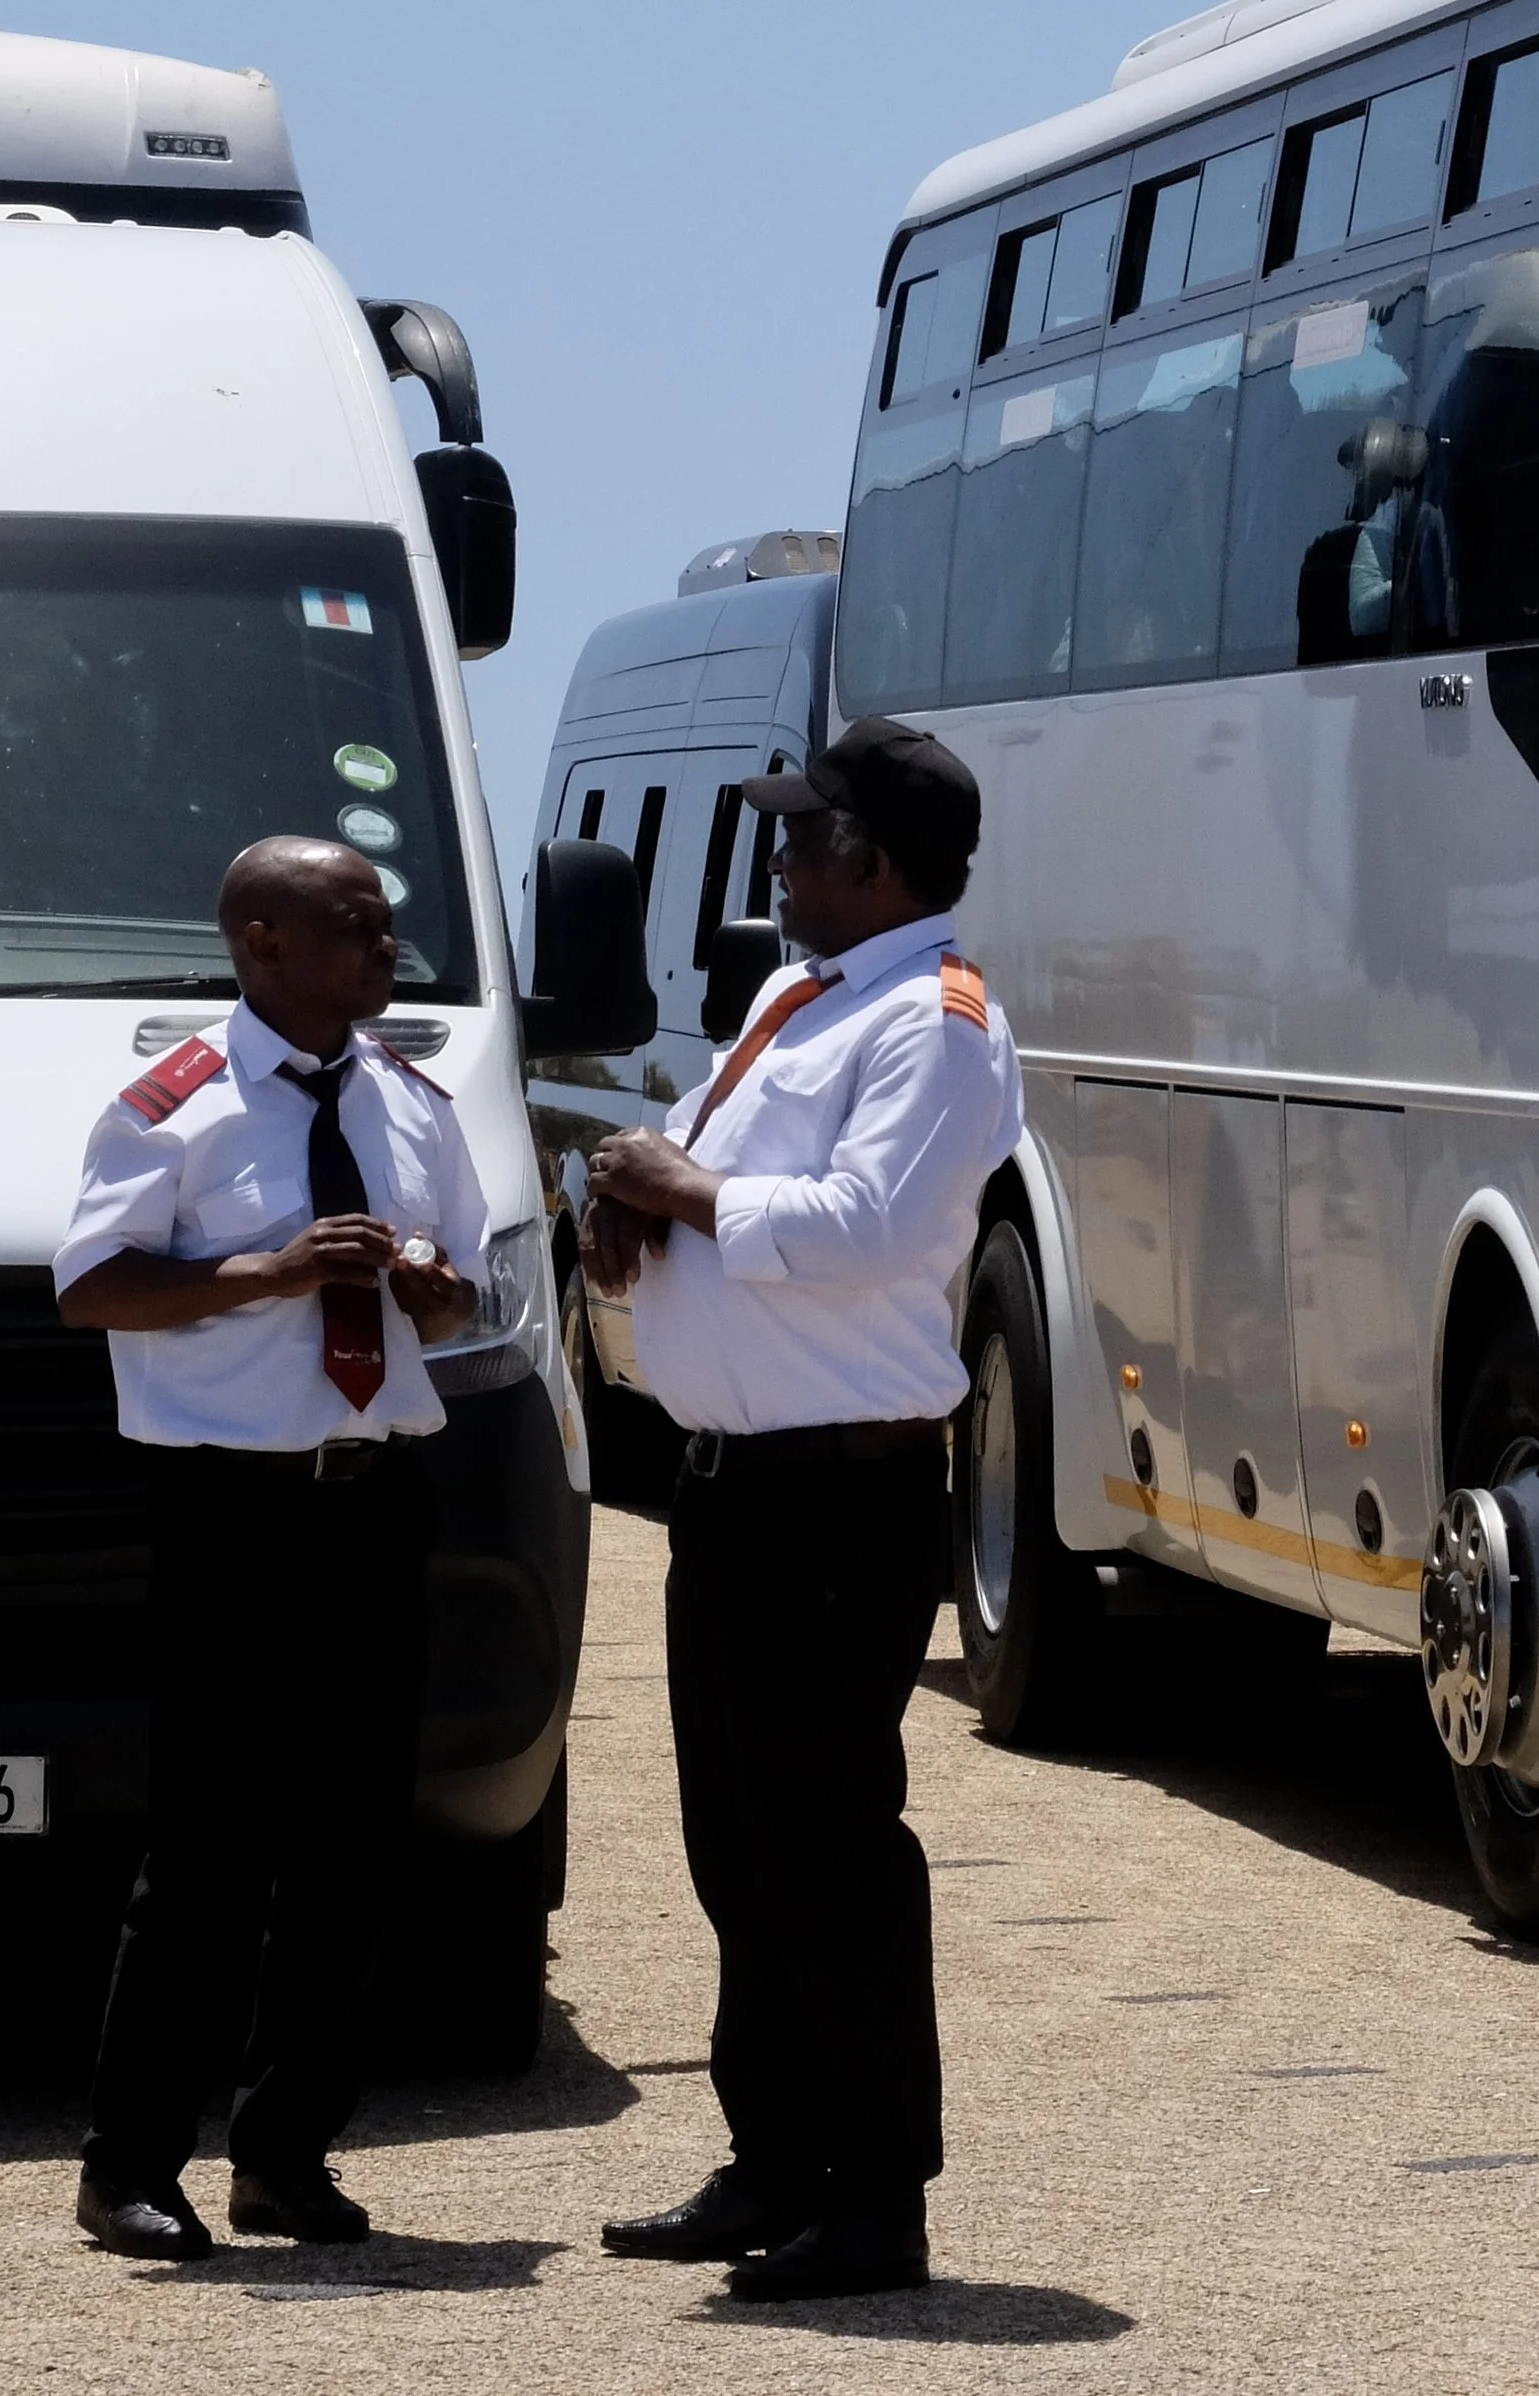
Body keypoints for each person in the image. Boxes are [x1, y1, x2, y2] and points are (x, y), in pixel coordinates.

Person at [591, 716, 1021, 2304]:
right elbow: (702, 1174)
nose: (778, 858)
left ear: (875, 860)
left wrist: (683, 1192)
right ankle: (772, 2158)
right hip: (736, 1492)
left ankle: (874, 2196)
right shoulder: (804, 994)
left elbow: (872, 1224)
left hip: (842, 1496)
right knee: (736, 1845)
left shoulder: (937, 1020)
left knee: (829, 1843)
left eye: (801, 834)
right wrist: (632, 1209)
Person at [51, 837, 487, 2261]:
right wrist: (277, 1273)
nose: (385, 953)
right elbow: (94, 1287)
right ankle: (130, 2166)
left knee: (357, 1847)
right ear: (260, 940)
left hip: (371, 1497)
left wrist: (422, 1287)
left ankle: (287, 2155)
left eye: (386, 929)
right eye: (355, 927)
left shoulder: (415, 1102)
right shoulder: (174, 1103)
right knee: (211, 1851)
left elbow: (458, 1294)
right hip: (233, 1510)